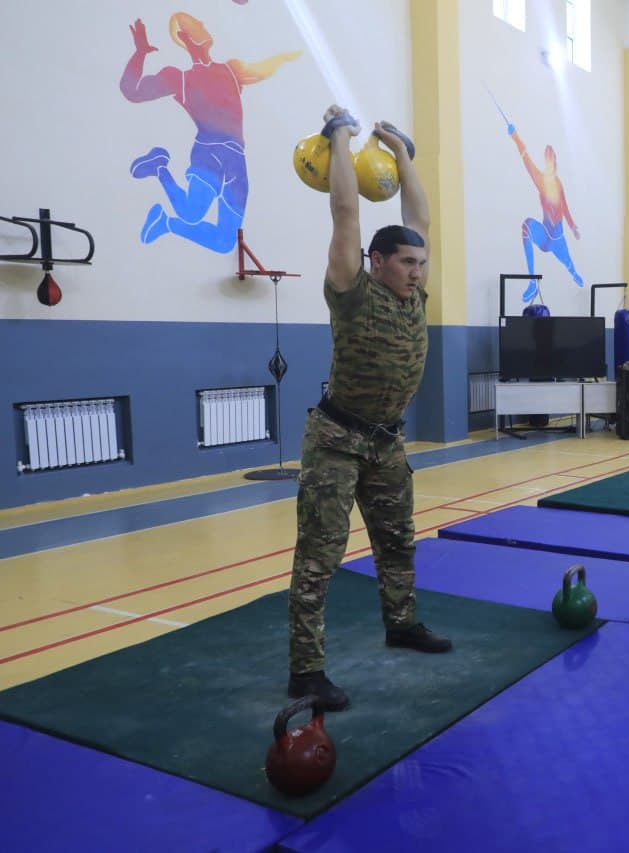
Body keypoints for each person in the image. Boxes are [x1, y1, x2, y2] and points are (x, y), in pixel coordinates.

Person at [287, 106, 450, 713]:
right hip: (336, 439)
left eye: (420, 263)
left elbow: (418, 217)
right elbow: (346, 212)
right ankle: (306, 671)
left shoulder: (415, 297)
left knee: (398, 541)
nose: (416, 271)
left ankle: (401, 624)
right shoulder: (352, 291)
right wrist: (341, 135)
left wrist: (402, 153)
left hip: (385, 441)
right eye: (406, 263)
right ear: (377, 264)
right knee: (320, 558)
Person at [119, 14, 300, 252]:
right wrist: (140, 51)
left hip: (237, 159)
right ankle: (159, 167)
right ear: (184, 36)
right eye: (194, 24)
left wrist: (285, 57)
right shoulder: (181, 78)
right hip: (209, 150)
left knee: (224, 242)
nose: (203, 25)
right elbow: (132, 91)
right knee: (191, 213)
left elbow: (259, 72)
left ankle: (165, 223)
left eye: (202, 23)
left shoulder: (230, 70)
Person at [507, 121, 582, 301]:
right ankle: (532, 283)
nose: (549, 162)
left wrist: (573, 227)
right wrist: (515, 136)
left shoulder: (558, 183)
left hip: (557, 239)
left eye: (552, 158)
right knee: (526, 226)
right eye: (546, 158)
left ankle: (575, 273)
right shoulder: (540, 179)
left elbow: (565, 207)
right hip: (544, 234)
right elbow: (526, 159)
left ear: (555, 162)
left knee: (569, 264)